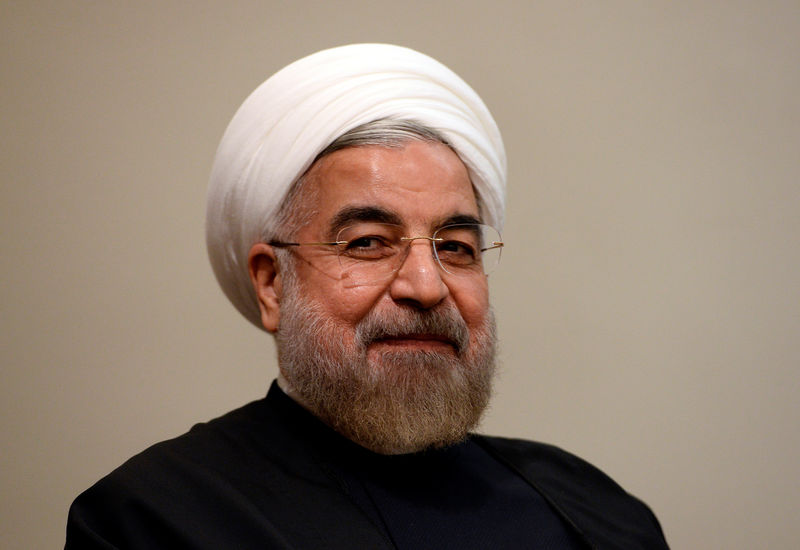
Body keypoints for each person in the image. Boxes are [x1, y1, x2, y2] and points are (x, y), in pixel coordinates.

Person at [66, 44, 669, 549]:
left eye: (455, 247)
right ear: (273, 282)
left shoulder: (595, 511)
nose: (426, 286)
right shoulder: (154, 520)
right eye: (369, 242)